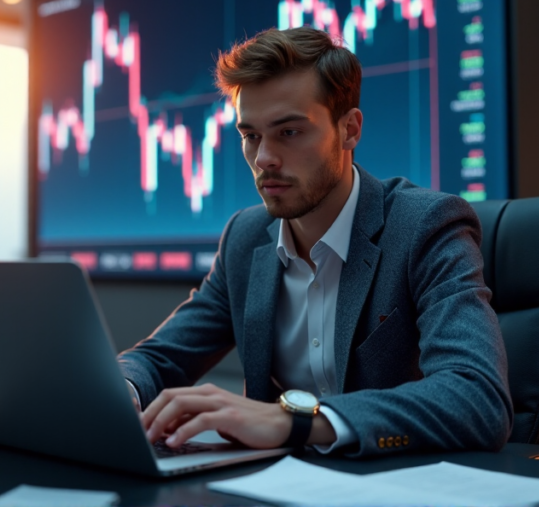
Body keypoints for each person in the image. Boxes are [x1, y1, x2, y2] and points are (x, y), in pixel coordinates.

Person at [118, 27, 513, 457]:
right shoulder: (244, 239)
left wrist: (295, 423)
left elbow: (478, 399)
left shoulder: (425, 226)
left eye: (288, 132)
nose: (264, 158)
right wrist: (122, 390)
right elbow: (161, 358)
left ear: (349, 130)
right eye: (250, 136)